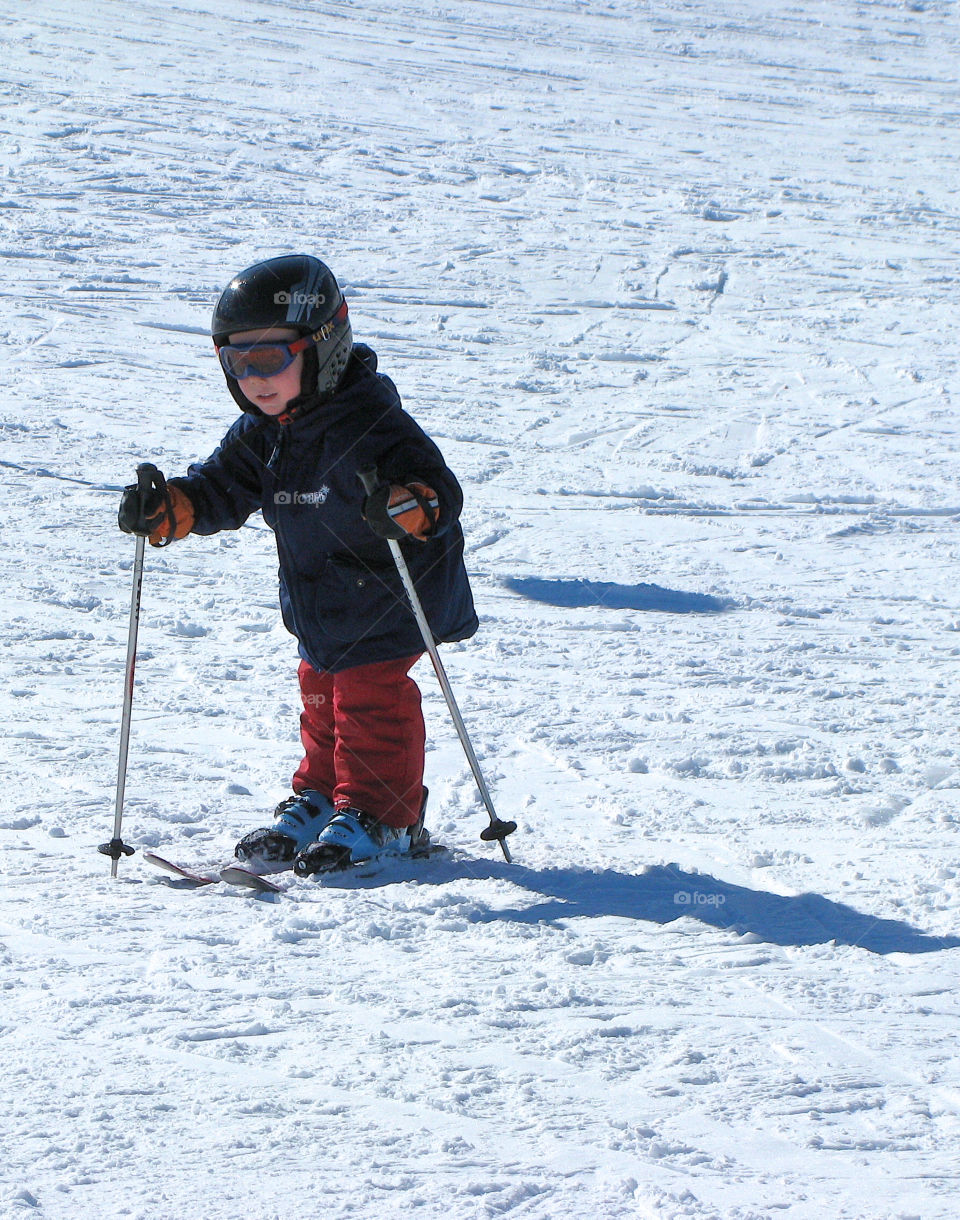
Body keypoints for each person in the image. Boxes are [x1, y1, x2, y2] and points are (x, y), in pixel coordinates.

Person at [118, 254, 478, 874]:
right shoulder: (263, 432)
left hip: (393, 595)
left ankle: (385, 817)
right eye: (237, 361)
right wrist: (170, 510)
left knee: (370, 702)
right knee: (320, 698)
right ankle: (320, 797)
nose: (253, 378)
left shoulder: (371, 419)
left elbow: (439, 489)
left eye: (268, 358)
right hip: (322, 603)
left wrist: (410, 506)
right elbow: (218, 489)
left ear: (323, 346)